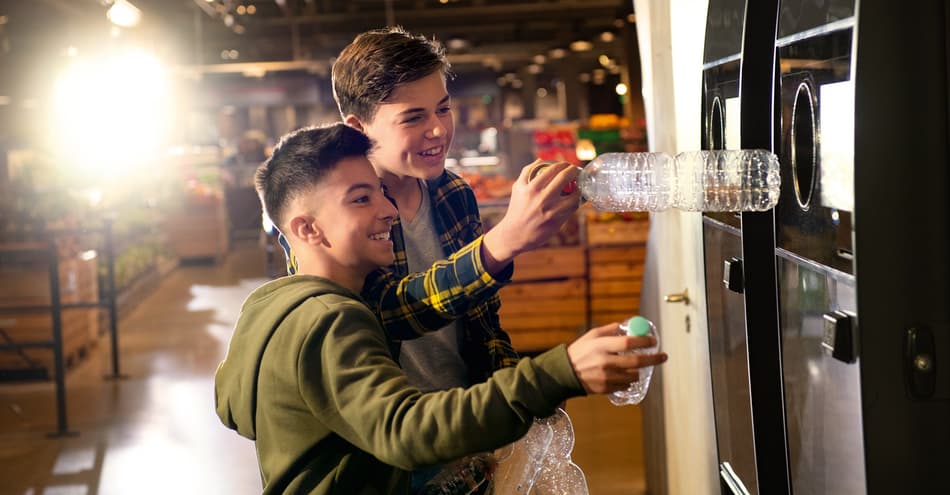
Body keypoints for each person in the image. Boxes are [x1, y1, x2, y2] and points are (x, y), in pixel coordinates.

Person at [214, 123, 667, 494]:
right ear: (307, 229)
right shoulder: (332, 319)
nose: (387, 210)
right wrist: (559, 371)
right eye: (360, 198)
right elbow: (404, 432)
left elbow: (235, 407)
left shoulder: (267, 304)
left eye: (380, 192)